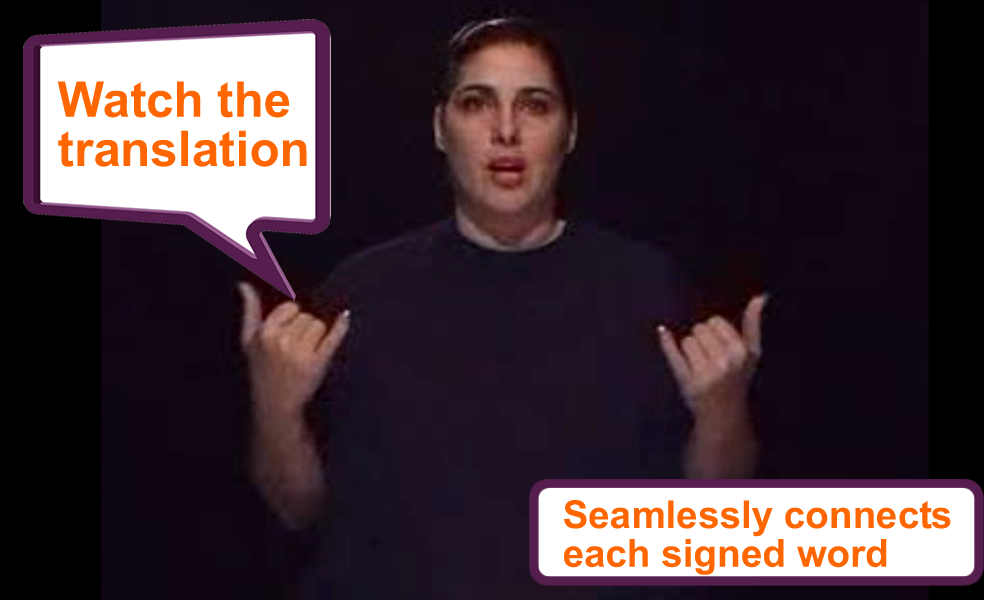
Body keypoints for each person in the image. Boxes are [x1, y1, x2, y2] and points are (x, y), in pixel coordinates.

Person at [238, 17, 766, 600]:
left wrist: (723, 410)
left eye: (535, 106)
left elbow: (711, 524)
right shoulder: (360, 294)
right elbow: (296, 509)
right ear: (441, 128)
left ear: (569, 132)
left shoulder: (650, 289)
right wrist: (275, 405)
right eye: (476, 103)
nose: (507, 130)